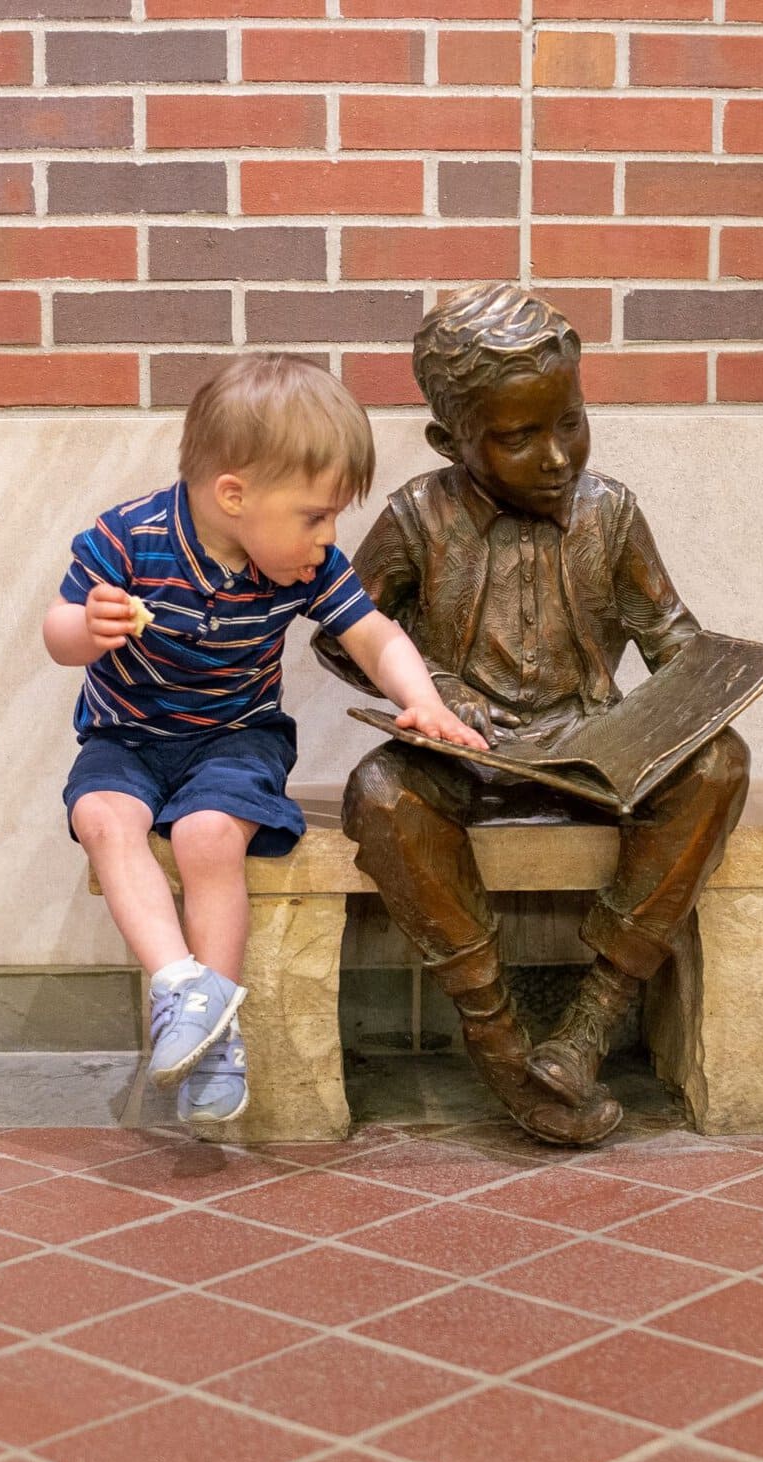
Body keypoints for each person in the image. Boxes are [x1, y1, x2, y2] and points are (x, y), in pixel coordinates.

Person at [316, 284, 750, 1146]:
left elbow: (671, 637)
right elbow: (342, 636)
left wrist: (702, 686)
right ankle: (499, 1034)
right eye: (518, 437)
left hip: (588, 748)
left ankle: (592, 1018)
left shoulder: (611, 511)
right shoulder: (416, 516)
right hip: (464, 753)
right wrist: (429, 688)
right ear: (451, 440)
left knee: (719, 763)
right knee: (381, 793)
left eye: (571, 422)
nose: (557, 457)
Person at [46, 354, 485, 1127]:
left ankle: (213, 1038)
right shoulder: (128, 537)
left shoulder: (303, 569)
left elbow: (375, 636)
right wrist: (87, 628)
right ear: (234, 495)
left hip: (236, 739)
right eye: (315, 516)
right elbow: (56, 633)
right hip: (126, 735)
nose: (328, 537)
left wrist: (425, 701)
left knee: (210, 836)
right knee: (104, 819)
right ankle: (182, 988)